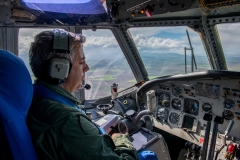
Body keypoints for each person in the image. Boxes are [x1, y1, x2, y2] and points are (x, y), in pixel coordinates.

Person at [27, 29, 139, 160]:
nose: (86, 68)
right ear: (60, 69)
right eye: (81, 62)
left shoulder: (38, 100)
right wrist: (120, 138)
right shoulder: (67, 121)